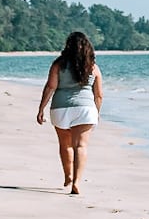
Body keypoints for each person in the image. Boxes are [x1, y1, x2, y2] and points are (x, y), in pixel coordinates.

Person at [38, 29, 103, 194]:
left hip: (60, 108)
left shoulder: (58, 64)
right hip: (85, 109)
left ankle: (67, 176)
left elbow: (51, 86)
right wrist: (96, 112)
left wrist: (41, 108)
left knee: (65, 144)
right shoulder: (93, 67)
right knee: (81, 146)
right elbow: (99, 95)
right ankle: (77, 182)